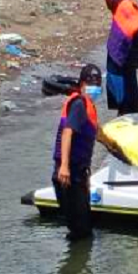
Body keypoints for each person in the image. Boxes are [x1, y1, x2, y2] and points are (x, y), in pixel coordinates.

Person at [52, 64, 103, 240]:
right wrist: (64, 167)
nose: (94, 87)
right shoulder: (79, 105)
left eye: (98, 83)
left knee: (83, 229)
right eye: (91, 83)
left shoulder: (90, 109)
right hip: (68, 175)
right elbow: (67, 132)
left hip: (78, 175)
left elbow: (98, 137)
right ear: (81, 84)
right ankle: (75, 265)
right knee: (81, 232)